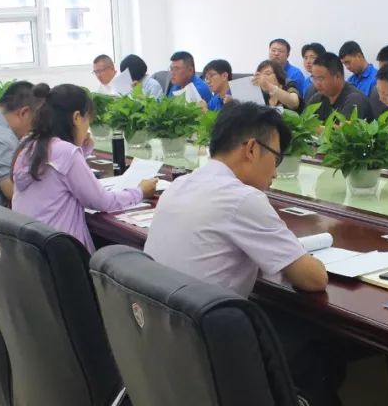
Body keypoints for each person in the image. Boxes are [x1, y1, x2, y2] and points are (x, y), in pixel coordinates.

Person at [144, 101, 339, 405]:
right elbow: (314, 279)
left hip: (162, 349)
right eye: (276, 157)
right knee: (323, 348)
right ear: (251, 149)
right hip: (209, 354)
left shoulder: (179, 185)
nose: (276, 171)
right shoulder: (241, 198)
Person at [12, 84, 156, 253]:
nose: (87, 127)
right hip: (62, 255)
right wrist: (140, 192)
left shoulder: (29, 144)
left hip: (32, 253)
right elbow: (102, 202)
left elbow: (59, 175)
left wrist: (82, 150)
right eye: (87, 119)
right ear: (76, 117)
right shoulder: (65, 152)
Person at [306, 52, 372, 121]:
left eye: (320, 78)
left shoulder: (355, 100)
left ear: (337, 76)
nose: (317, 83)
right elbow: (304, 122)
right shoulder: (317, 98)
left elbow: (344, 127)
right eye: (314, 78)